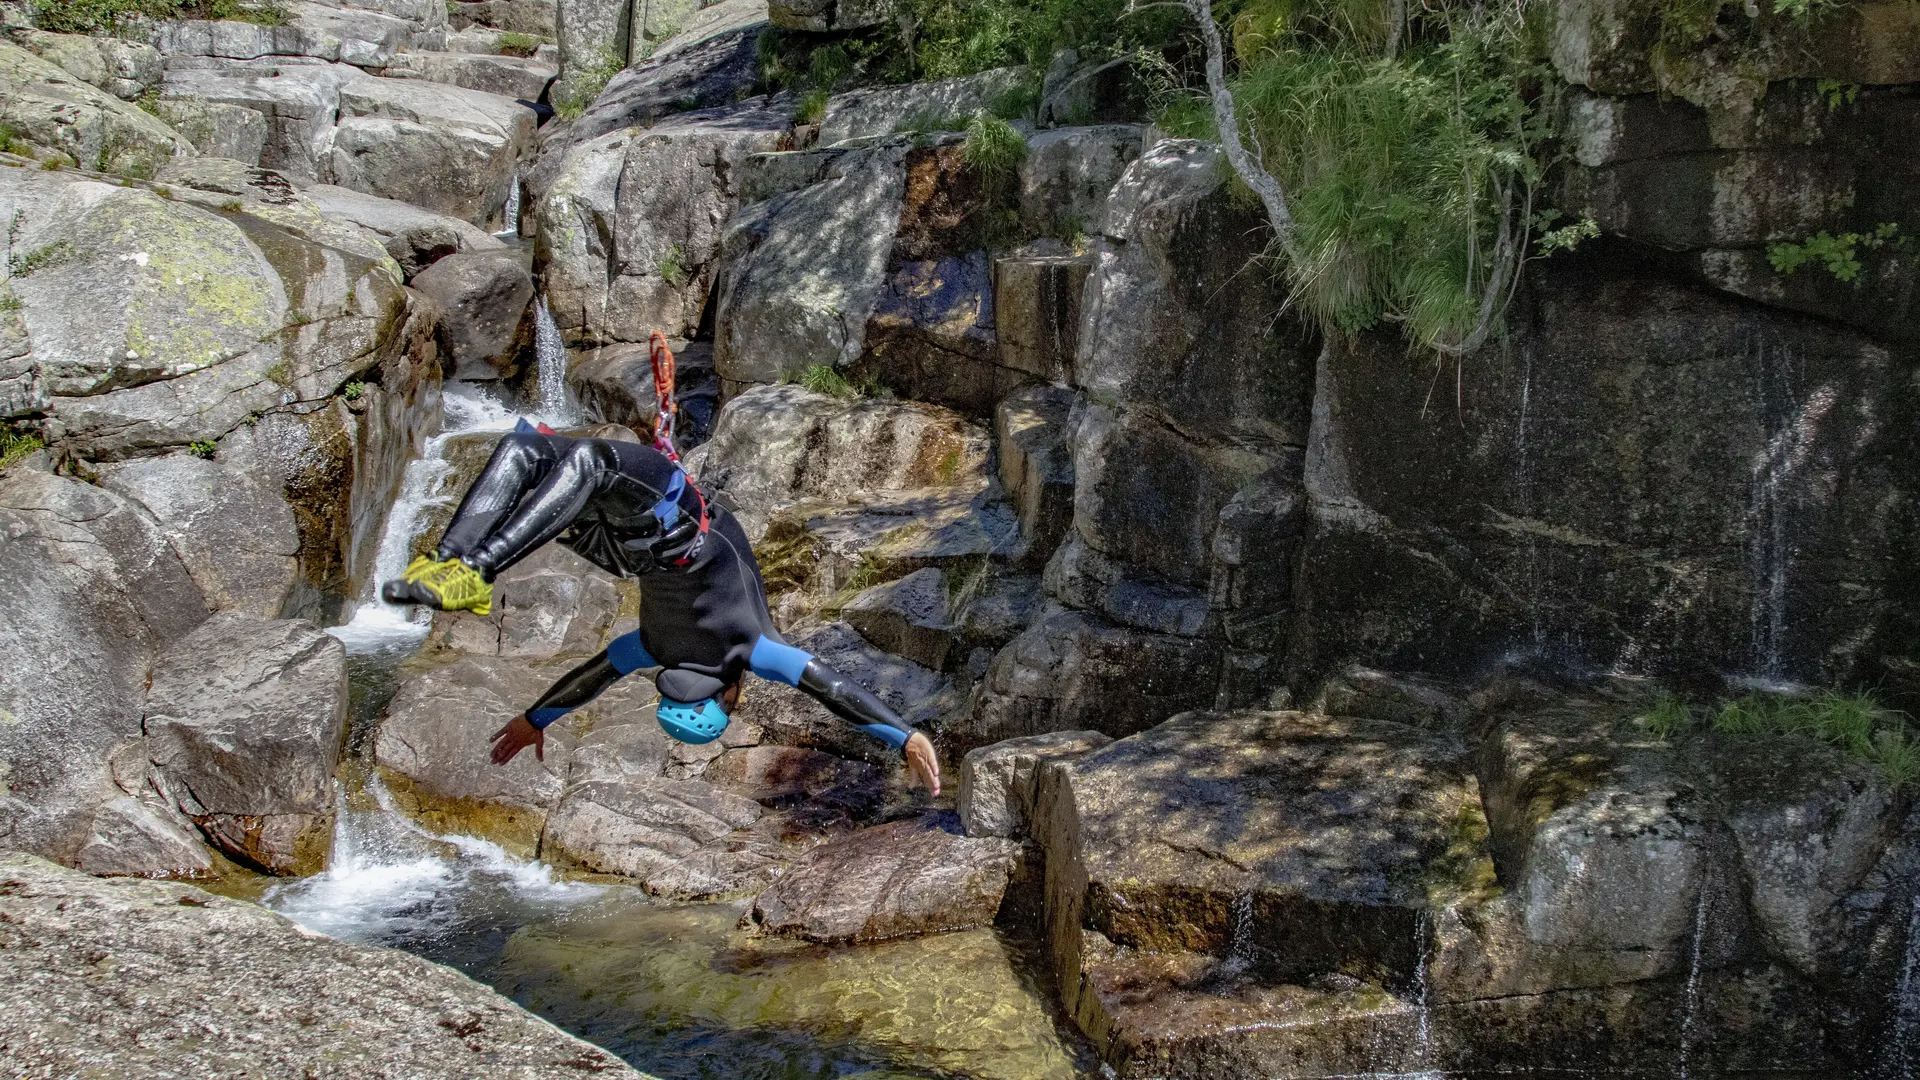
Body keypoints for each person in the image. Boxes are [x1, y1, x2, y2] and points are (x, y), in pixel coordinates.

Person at [380, 417, 942, 794]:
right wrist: (533, 720)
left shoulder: (752, 649)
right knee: (529, 448)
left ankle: (467, 567)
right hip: (617, 548)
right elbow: (588, 680)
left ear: (728, 692)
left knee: (588, 461)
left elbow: (831, 687)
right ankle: (447, 563)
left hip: (672, 526)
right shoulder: (647, 649)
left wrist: (905, 734)